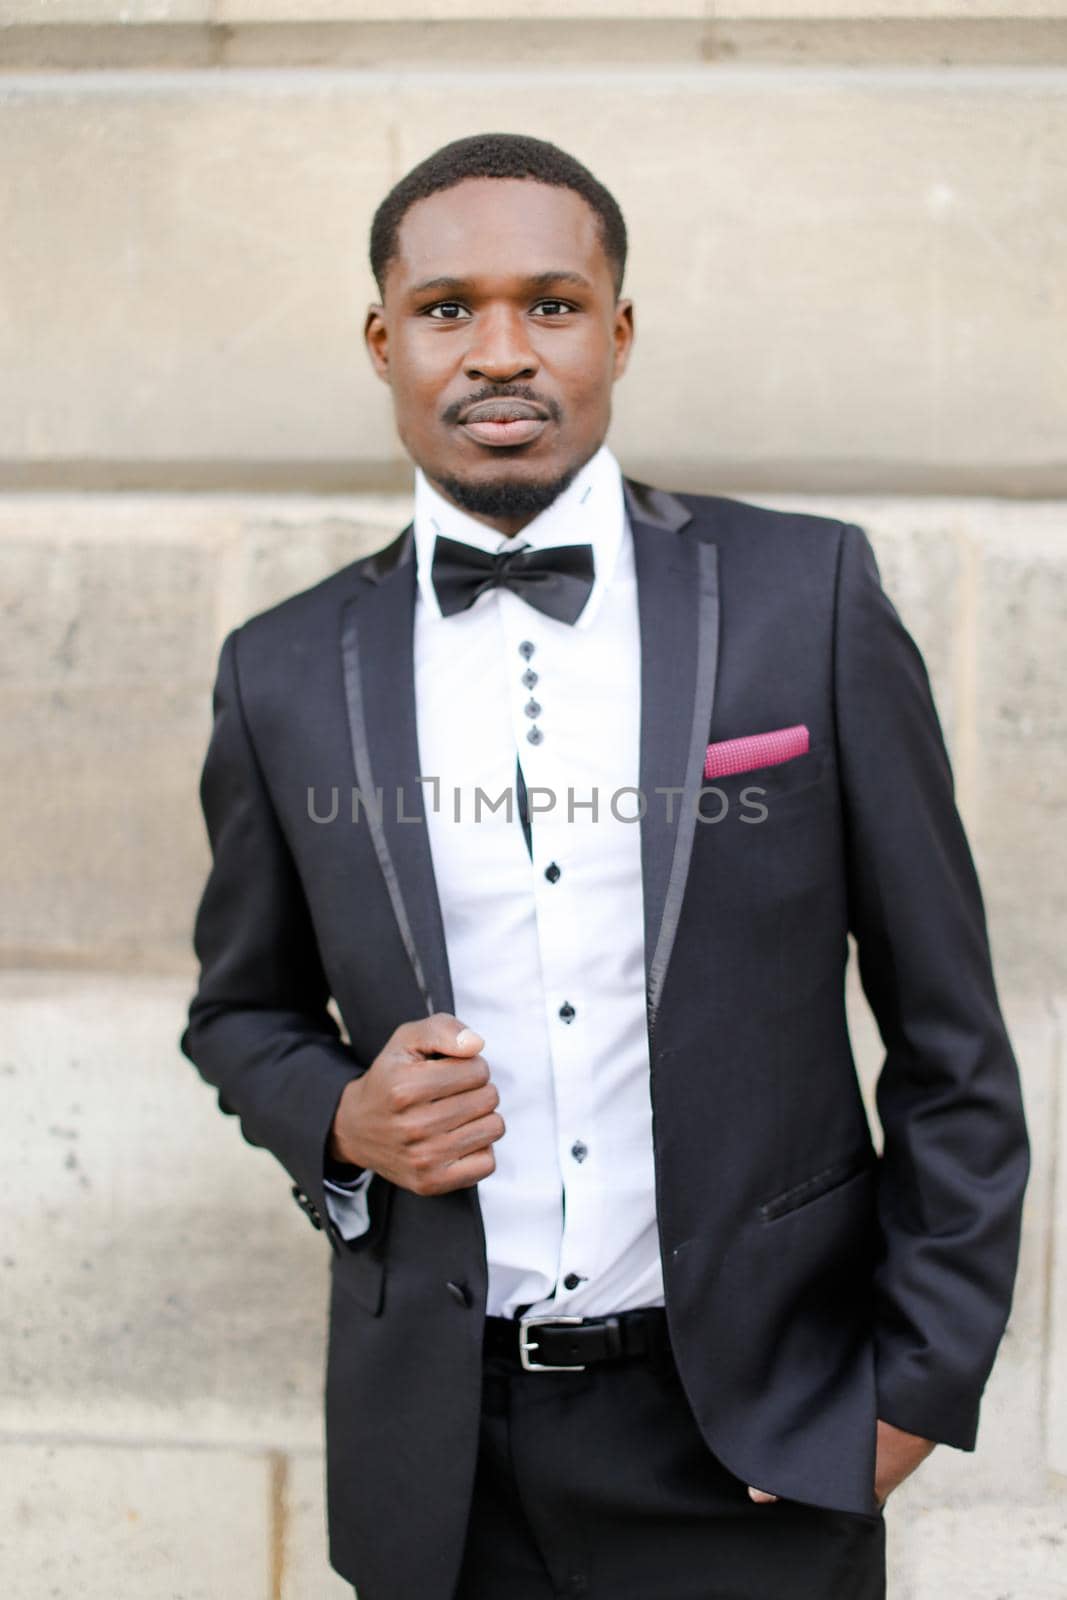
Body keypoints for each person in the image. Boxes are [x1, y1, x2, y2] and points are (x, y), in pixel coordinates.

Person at [180, 132, 1030, 1600]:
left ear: (618, 331)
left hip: (755, 1442)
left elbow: (951, 1038)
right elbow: (237, 1013)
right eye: (448, 308)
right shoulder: (281, 674)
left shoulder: (803, 599)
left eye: (552, 304)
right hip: (442, 1467)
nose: (500, 349)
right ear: (384, 342)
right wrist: (341, 1117)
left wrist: (911, 1393)